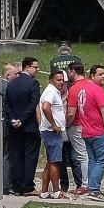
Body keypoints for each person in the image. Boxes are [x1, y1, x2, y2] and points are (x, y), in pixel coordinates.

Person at [67, 64, 104, 202]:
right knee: (101, 161)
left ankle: (89, 186)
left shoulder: (80, 89)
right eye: (101, 74)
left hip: (86, 130)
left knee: (92, 159)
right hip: (98, 131)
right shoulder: (97, 90)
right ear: (91, 76)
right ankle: (95, 189)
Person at [4, 57, 41, 195]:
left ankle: (17, 185)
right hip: (29, 125)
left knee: (16, 156)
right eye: (35, 67)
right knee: (30, 156)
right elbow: (33, 104)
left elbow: (7, 104)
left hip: (14, 126)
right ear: (27, 67)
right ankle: (28, 186)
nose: (37, 70)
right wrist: (22, 119)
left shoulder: (11, 84)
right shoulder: (33, 84)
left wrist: (13, 119)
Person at [38, 70, 69, 199]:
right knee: (55, 162)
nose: (61, 82)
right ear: (51, 80)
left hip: (48, 130)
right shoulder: (51, 92)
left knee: (50, 162)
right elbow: (46, 107)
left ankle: (44, 191)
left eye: (62, 80)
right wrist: (54, 124)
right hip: (52, 132)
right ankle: (56, 191)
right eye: (58, 80)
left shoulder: (51, 91)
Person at [63, 62, 89, 194]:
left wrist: (66, 124)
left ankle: (85, 183)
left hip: (77, 124)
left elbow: (71, 112)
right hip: (89, 123)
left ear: (73, 72)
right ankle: (90, 181)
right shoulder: (90, 85)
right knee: (88, 153)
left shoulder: (74, 88)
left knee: (82, 154)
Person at [0, 62, 20, 195]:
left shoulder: (0, 86)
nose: (19, 76)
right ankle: (6, 184)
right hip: (6, 125)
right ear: (8, 76)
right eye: (16, 74)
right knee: (7, 155)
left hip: (0, 124)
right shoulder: (8, 88)